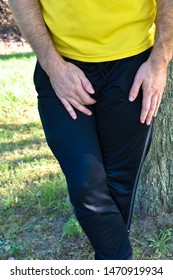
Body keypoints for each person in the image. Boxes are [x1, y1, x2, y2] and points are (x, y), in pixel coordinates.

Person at [8, 0, 173, 260]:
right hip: (62, 66)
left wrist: (159, 61)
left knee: (120, 185)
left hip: (134, 65)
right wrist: (54, 67)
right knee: (86, 184)